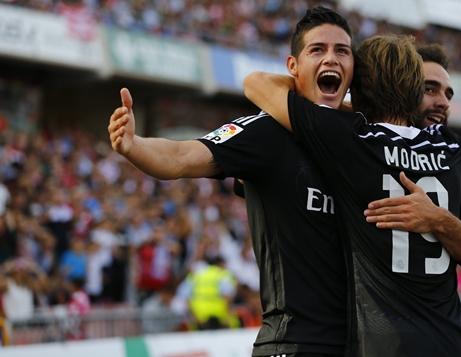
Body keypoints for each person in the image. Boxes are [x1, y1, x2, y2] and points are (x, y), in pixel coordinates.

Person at [110, 6, 354, 356]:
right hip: (294, 344)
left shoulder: (363, 140)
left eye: (341, 51)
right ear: (293, 68)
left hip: (359, 345)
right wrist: (134, 146)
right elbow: (181, 157)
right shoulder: (267, 132)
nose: (331, 58)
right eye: (317, 50)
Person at [243, 34, 461, 356]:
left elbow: (256, 84)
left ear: (359, 89)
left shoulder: (353, 141)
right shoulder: (453, 148)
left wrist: (342, 95)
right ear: (413, 93)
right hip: (453, 340)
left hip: (386, 343)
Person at [363, 43, 461, 281]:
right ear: (402, 91)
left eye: (448, 94)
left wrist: (437, 218)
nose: (444, 103)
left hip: (441, 317)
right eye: (429, 90)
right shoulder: (360, 151)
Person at [186, 255, 238, 330]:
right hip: (220, 317)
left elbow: (186, 298)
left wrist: (195, 317)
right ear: (219, 264)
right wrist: (227, 316)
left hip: (200, 317)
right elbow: (228, 297)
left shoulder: (195, 276)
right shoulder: (223, 275)